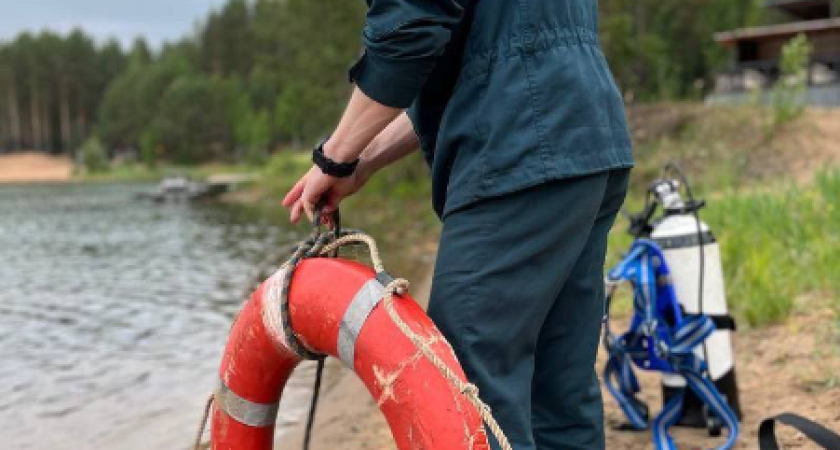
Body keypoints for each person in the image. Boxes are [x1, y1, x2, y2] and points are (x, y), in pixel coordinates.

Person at [282, 0, 634, 449]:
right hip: (587, 138)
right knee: (558, 387)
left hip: (518, 151)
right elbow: (483, 59)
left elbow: (410, 31)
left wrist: (334, 155)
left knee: (465, 381)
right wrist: (363, 160)